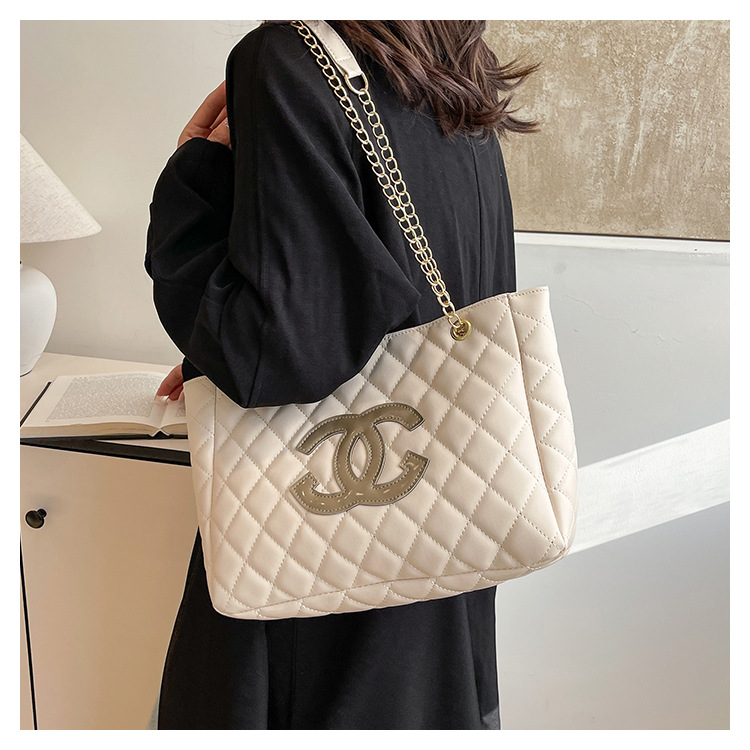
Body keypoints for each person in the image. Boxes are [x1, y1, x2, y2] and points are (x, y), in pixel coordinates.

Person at [145, 19, 537, 730]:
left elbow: (279, 353)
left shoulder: (289, 58)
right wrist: (224, 350)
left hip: (324, 563)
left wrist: (193, 175)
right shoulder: (453, 63)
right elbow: (393, 296)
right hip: (444, 527)